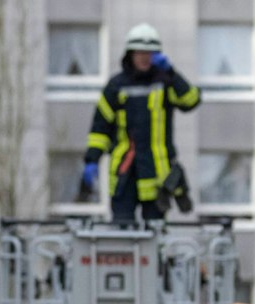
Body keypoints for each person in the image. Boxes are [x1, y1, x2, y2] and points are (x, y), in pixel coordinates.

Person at [83, 23, 200, 223]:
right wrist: (92, 159)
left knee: (154, 235)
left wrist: (172, 73)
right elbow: (100, 127)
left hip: (157, 173)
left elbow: (191, 101)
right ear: (130, 54)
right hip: (124, 171)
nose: (145, 57)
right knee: (122, 230)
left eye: (150, 53)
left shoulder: (165, 83)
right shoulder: (116, 86)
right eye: (140, 52)